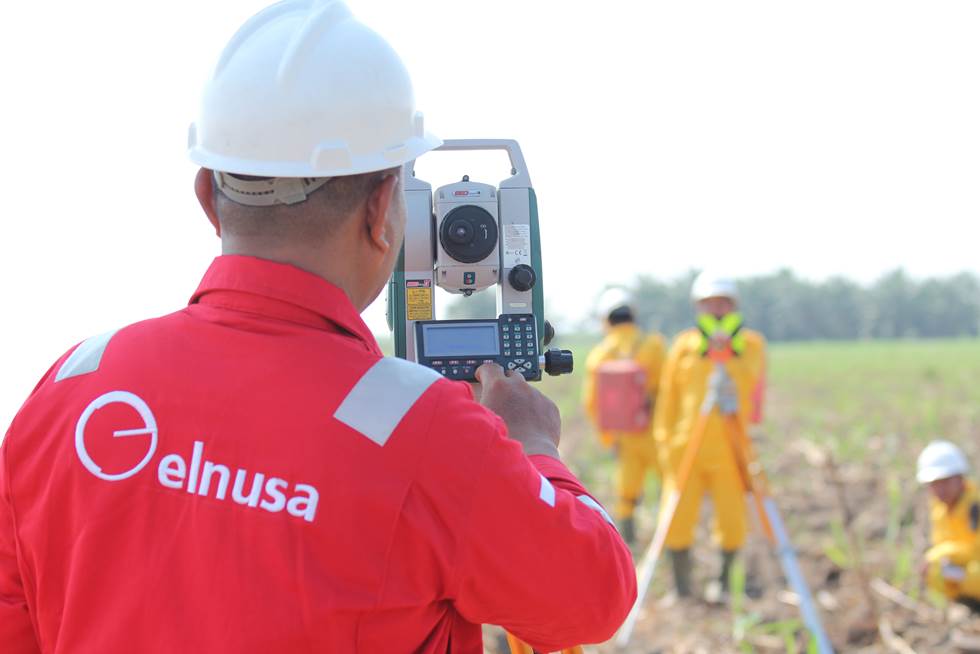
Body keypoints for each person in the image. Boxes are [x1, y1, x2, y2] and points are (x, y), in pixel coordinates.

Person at [0, 2, 635, 652]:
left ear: (206, 198)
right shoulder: (425, 433)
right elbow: (589, 602)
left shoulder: (74, 384)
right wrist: (534, 445)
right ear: (385, 208)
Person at [652, 271, 766, 602]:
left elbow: (749, 381)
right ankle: (682, 589)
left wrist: (727, 351)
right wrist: (664, 441)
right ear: (698, 307)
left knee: (732, 520)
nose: (716, 309)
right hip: (686, 445)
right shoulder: (684, 346)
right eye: (709, 303)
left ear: (733, 306)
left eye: (722, 303)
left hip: (731, 447)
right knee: (676, 518)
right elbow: (667, 397)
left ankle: (724, 583)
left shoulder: (752, 345)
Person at [582, 288, 665, 544]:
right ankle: (664, 539)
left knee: (626, 493)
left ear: (606, 320)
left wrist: (609, 438)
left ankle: (630, 547)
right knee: (666, 487)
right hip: (655, 433)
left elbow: (591, 404)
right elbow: (669, 391)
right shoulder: (653, 345)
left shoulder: (600, 355)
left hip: (624, 436)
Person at [917, 440, 980, 611]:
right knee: (934, 572)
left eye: (945, 481)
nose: (940, 489)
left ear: (960, 478)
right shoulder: (939, 509)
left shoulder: (975, 505)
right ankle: (967, 604)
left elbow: (976, 549)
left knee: (976, 574)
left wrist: (940, 553)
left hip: (975, 563)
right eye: (934, 484)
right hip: (961, 565)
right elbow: (940, 540)